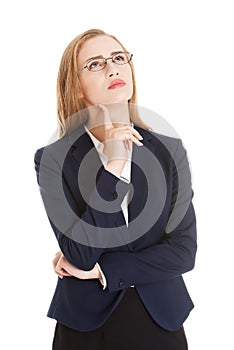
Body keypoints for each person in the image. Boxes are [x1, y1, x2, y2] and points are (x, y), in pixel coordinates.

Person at [34, 28, 197, 350]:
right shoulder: (54, 158)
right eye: (95, 64)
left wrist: (102, 270)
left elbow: (183, 252)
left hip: (161, 315)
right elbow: (80, 255)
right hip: (85, 325)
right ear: (76, 86)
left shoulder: (168, 151)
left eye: (119, 58)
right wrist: (113, 168)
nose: (112, 69)